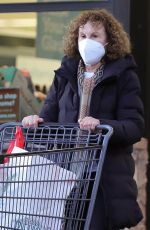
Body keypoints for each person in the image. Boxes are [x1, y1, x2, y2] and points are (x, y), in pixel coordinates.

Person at [22, 9, 144, 230]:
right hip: (65, 175)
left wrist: (102, 126)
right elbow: (47, 119)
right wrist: (34, 122)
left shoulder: (124, 75)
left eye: (95, 36)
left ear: (109, 41)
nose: (87, 41)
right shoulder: (65, 74)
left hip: (101, 178)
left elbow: (134, 126)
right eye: (83, 35)